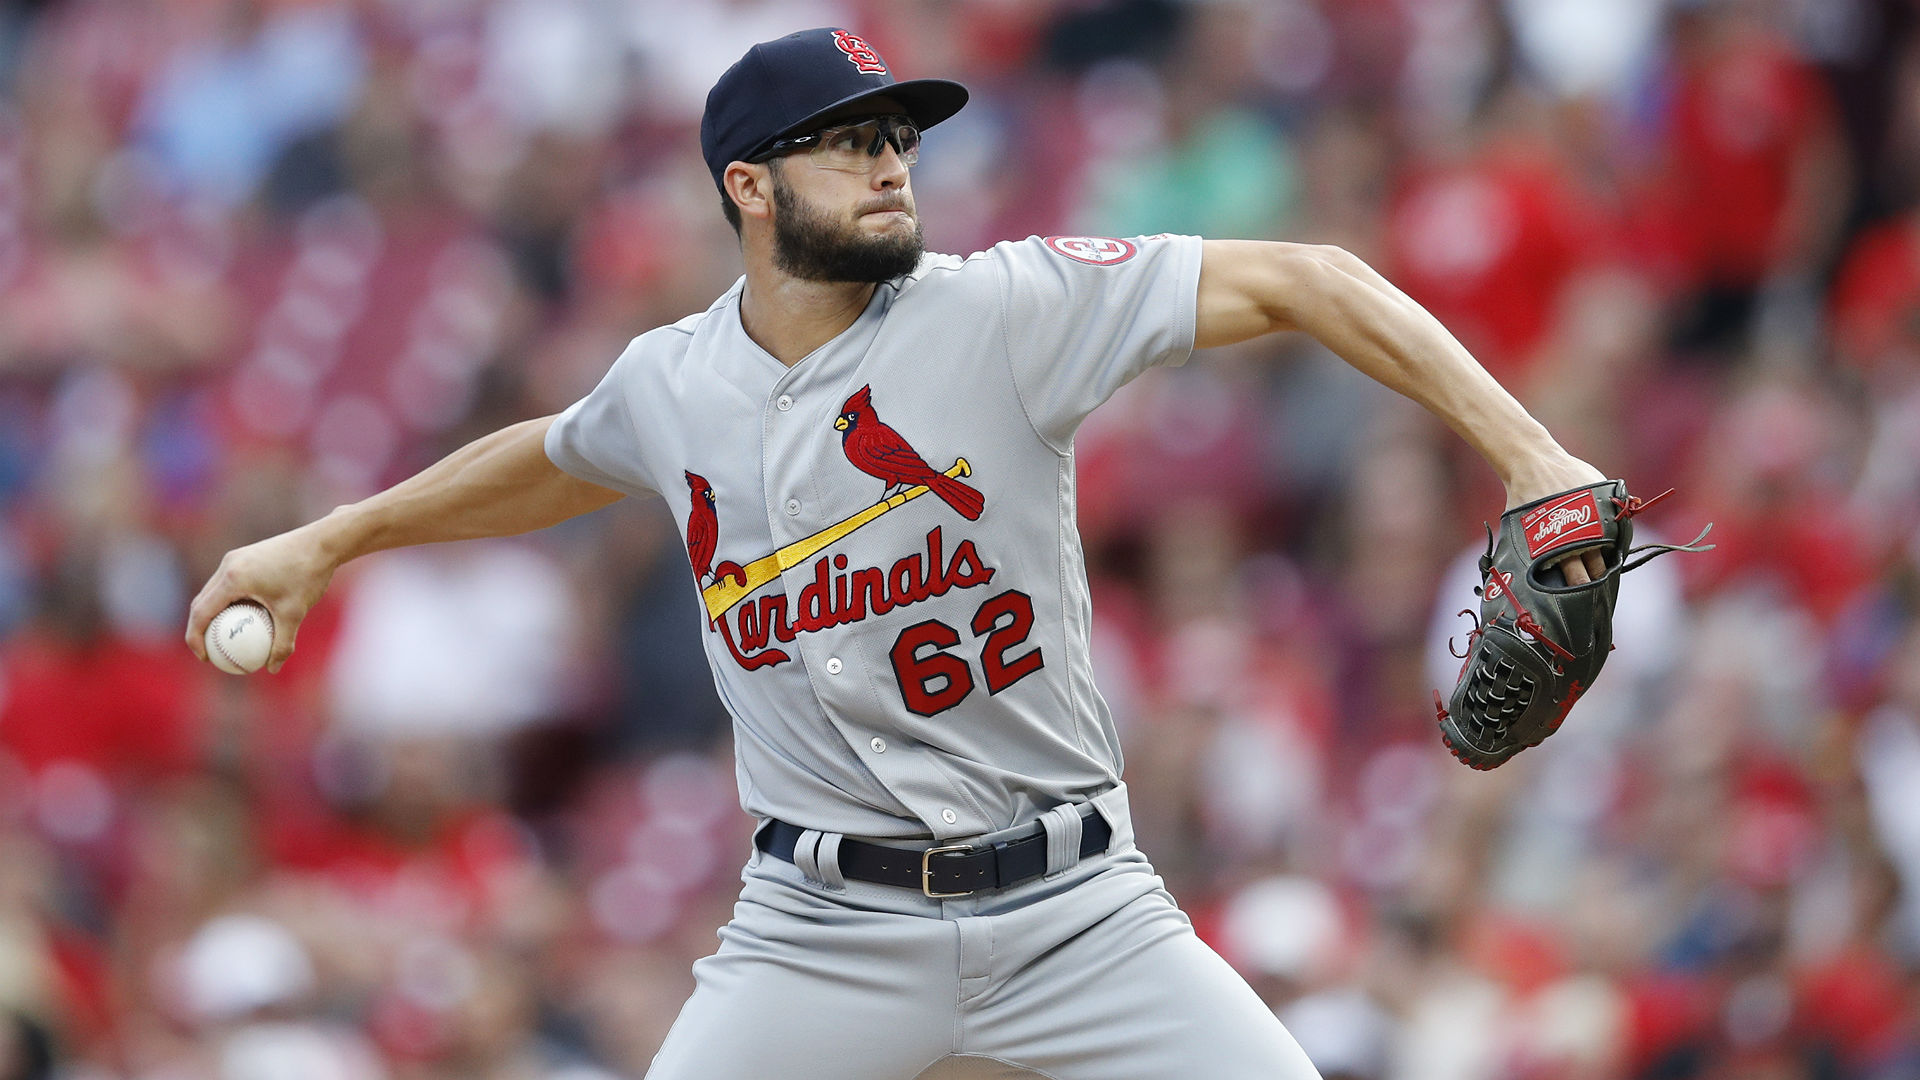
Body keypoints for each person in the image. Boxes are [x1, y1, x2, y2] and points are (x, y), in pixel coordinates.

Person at [187, 27, 1608, 1080]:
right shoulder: (671, 383)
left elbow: (1307, 278)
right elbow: (551, 459)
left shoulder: (1004, 310)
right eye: (849, 140)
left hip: (1075, 904)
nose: (888, 163)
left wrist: (1534, 455)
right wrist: (332, 538)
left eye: (898, 138)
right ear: (749, 185)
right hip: (818, 928)